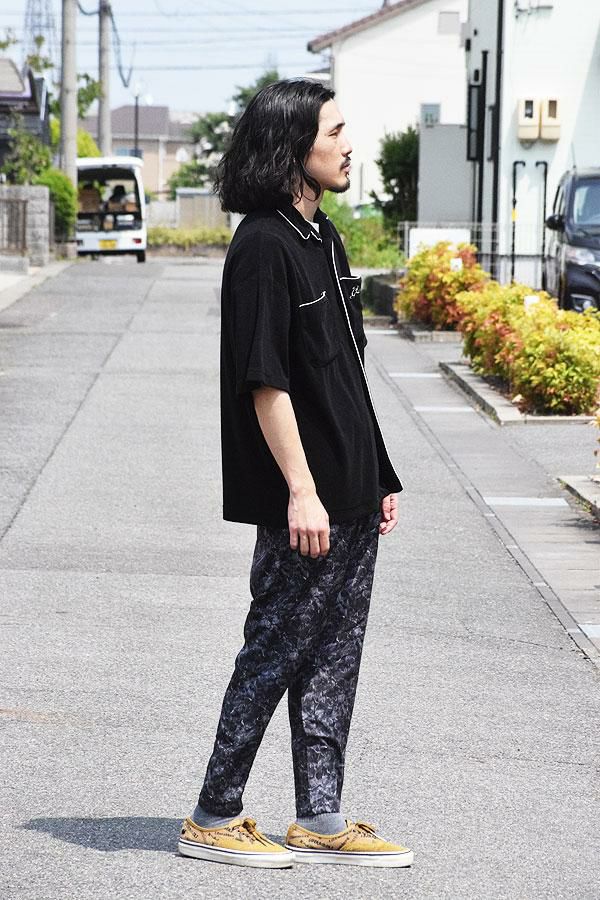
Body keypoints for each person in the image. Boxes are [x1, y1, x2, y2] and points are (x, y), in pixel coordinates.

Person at [178, 79, 413, 870]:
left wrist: (379, 474)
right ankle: (214, 813)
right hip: (304, 499)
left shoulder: (324, 237)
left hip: (351, 490)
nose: (349, 145)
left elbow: (344, 372)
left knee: (335, 655)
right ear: (291, 145)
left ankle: (320, 815)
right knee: (275, 648)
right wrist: (302, 492)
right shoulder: (262, 246)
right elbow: (265, 382)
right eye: (335, 132)